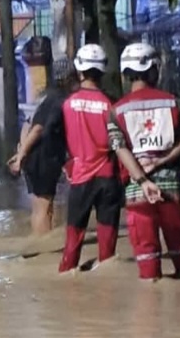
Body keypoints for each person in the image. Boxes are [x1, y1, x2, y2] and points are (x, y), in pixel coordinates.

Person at [46, 44, 162, 273]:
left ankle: (67, 273)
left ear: (79, 70)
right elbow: (124, 140)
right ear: (103, 71)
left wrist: (65, 162)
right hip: (109, 176)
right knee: (107, 237)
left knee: (74, 234)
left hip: (80, 176)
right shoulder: (112, 103)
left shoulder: (66, 103)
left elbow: (50, 133)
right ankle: (106, 276)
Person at [115, 42, 180, 281]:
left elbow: (119, 148)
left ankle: (152, 299)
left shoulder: (116, 111)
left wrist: (142, 179)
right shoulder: (174, 102)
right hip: (171, 187)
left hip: (137, 191)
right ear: (154, 70)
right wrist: (160, 161)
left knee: (146, 252)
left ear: (126, 74)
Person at [8, 58, 78, 235]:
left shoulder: (45, 97)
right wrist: (21, 156)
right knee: (44, 207)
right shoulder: (58, 101)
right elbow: (38, 129)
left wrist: (21, 151)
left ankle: (40, 240)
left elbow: (28, 125)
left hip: (36, 158)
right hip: (43, 158)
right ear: (70, 78)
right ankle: (44, 244)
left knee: (41, 206)